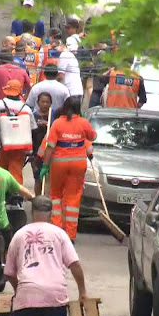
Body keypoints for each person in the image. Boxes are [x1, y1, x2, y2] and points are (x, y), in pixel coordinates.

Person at [5, 196, 87, 316]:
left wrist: (19, 289)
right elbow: (75, 265)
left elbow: (9, 272)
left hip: (27, 298)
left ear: (32, 212)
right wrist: (82, 292)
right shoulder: (60, 234)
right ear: (51, 213)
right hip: (55, 297)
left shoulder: (19, 235)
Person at [39, 97, 95, 241]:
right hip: (78, 164)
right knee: (73, 199)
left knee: (55, 196)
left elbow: (49, 147)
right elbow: (92, 137)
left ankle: (57, 231)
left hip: (59, 164)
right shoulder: (83, 123)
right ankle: (70, 235)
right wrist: (81, 125)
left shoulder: (57, 123)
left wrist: (45, 166)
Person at [0, 79, 38, 184]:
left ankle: (0, 193)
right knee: (16, 171)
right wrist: (33, 149)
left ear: (6, 91)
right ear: (19, 92)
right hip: (20, 147)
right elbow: (34, 130)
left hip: (2, 145)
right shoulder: (26, 108)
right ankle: (16, 194)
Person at [31, 93, 54, 196]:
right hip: (36, 153)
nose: (45, 104)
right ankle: (37, 200)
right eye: (42, 102)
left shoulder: (53, 115)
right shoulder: (33, 116)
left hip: (51, 152)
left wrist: (48, 125)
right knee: (38, 179)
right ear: (38, 103)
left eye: (47, 102)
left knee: (49, 179)